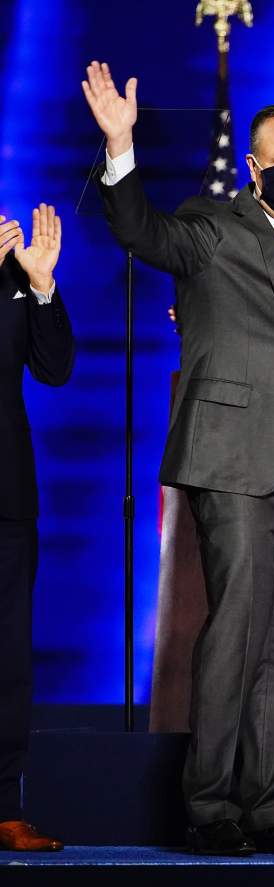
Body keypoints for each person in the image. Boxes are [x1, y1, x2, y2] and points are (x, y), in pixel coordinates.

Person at [84, 61, 274, 856]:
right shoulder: (214, 227)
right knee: (236, 628)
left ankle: (268, 805)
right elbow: (142, 231)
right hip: (233, 459)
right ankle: (210, 809)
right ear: (253, 166)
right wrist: (121, 147)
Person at [0, 205, 72, 853]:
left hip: (7, 493)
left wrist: (43, 284)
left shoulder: (15, 274)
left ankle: (2, 805)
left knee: (8, 658)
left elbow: (54, 369)